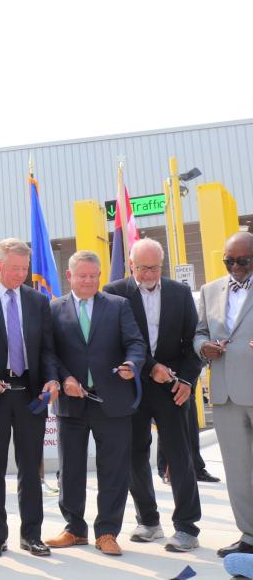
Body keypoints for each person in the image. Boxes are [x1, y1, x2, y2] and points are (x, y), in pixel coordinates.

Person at [104, 238, 202, 552]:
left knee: (180, 455)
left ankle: (187, 527)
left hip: (172, 386)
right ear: (131, 265)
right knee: (134, 454)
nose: (149, 274)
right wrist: (149, 368)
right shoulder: (114, 293)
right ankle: (148, 520)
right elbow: (114, 343)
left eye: (155, 267)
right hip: (131, 386)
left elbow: (194, 344)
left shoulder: (179, 292)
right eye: (143, 267)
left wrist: (187, 380)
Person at [44, 250, 145, 556]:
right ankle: (74, 529)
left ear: (100, 276)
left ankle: (107, 532)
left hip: (112, 400)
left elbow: (136, 343)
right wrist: (64, 379)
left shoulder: (118, 306)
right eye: (82, 275)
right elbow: (48, 352)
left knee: (113, 469)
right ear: (69, 276)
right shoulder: (53, 309)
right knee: (70, 468)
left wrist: (132, 364)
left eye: (94, 276)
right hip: (72, 403)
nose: (89, 281)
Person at [0, 238, 60, 558]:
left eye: (24, 268)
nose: (20, 274)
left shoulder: (38, 301)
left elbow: (48, 349)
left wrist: (51, 378)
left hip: (30, 395)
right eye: (14, 268)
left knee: (30, 467)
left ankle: (32, 534)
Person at [194, 231, 253, 558]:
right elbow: (200, 330)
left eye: (242, 261)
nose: (235, 267)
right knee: (238, 470)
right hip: (225, 393)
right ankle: (249, 535)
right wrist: (202, 347)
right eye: (229, 261)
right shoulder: (209, 289)